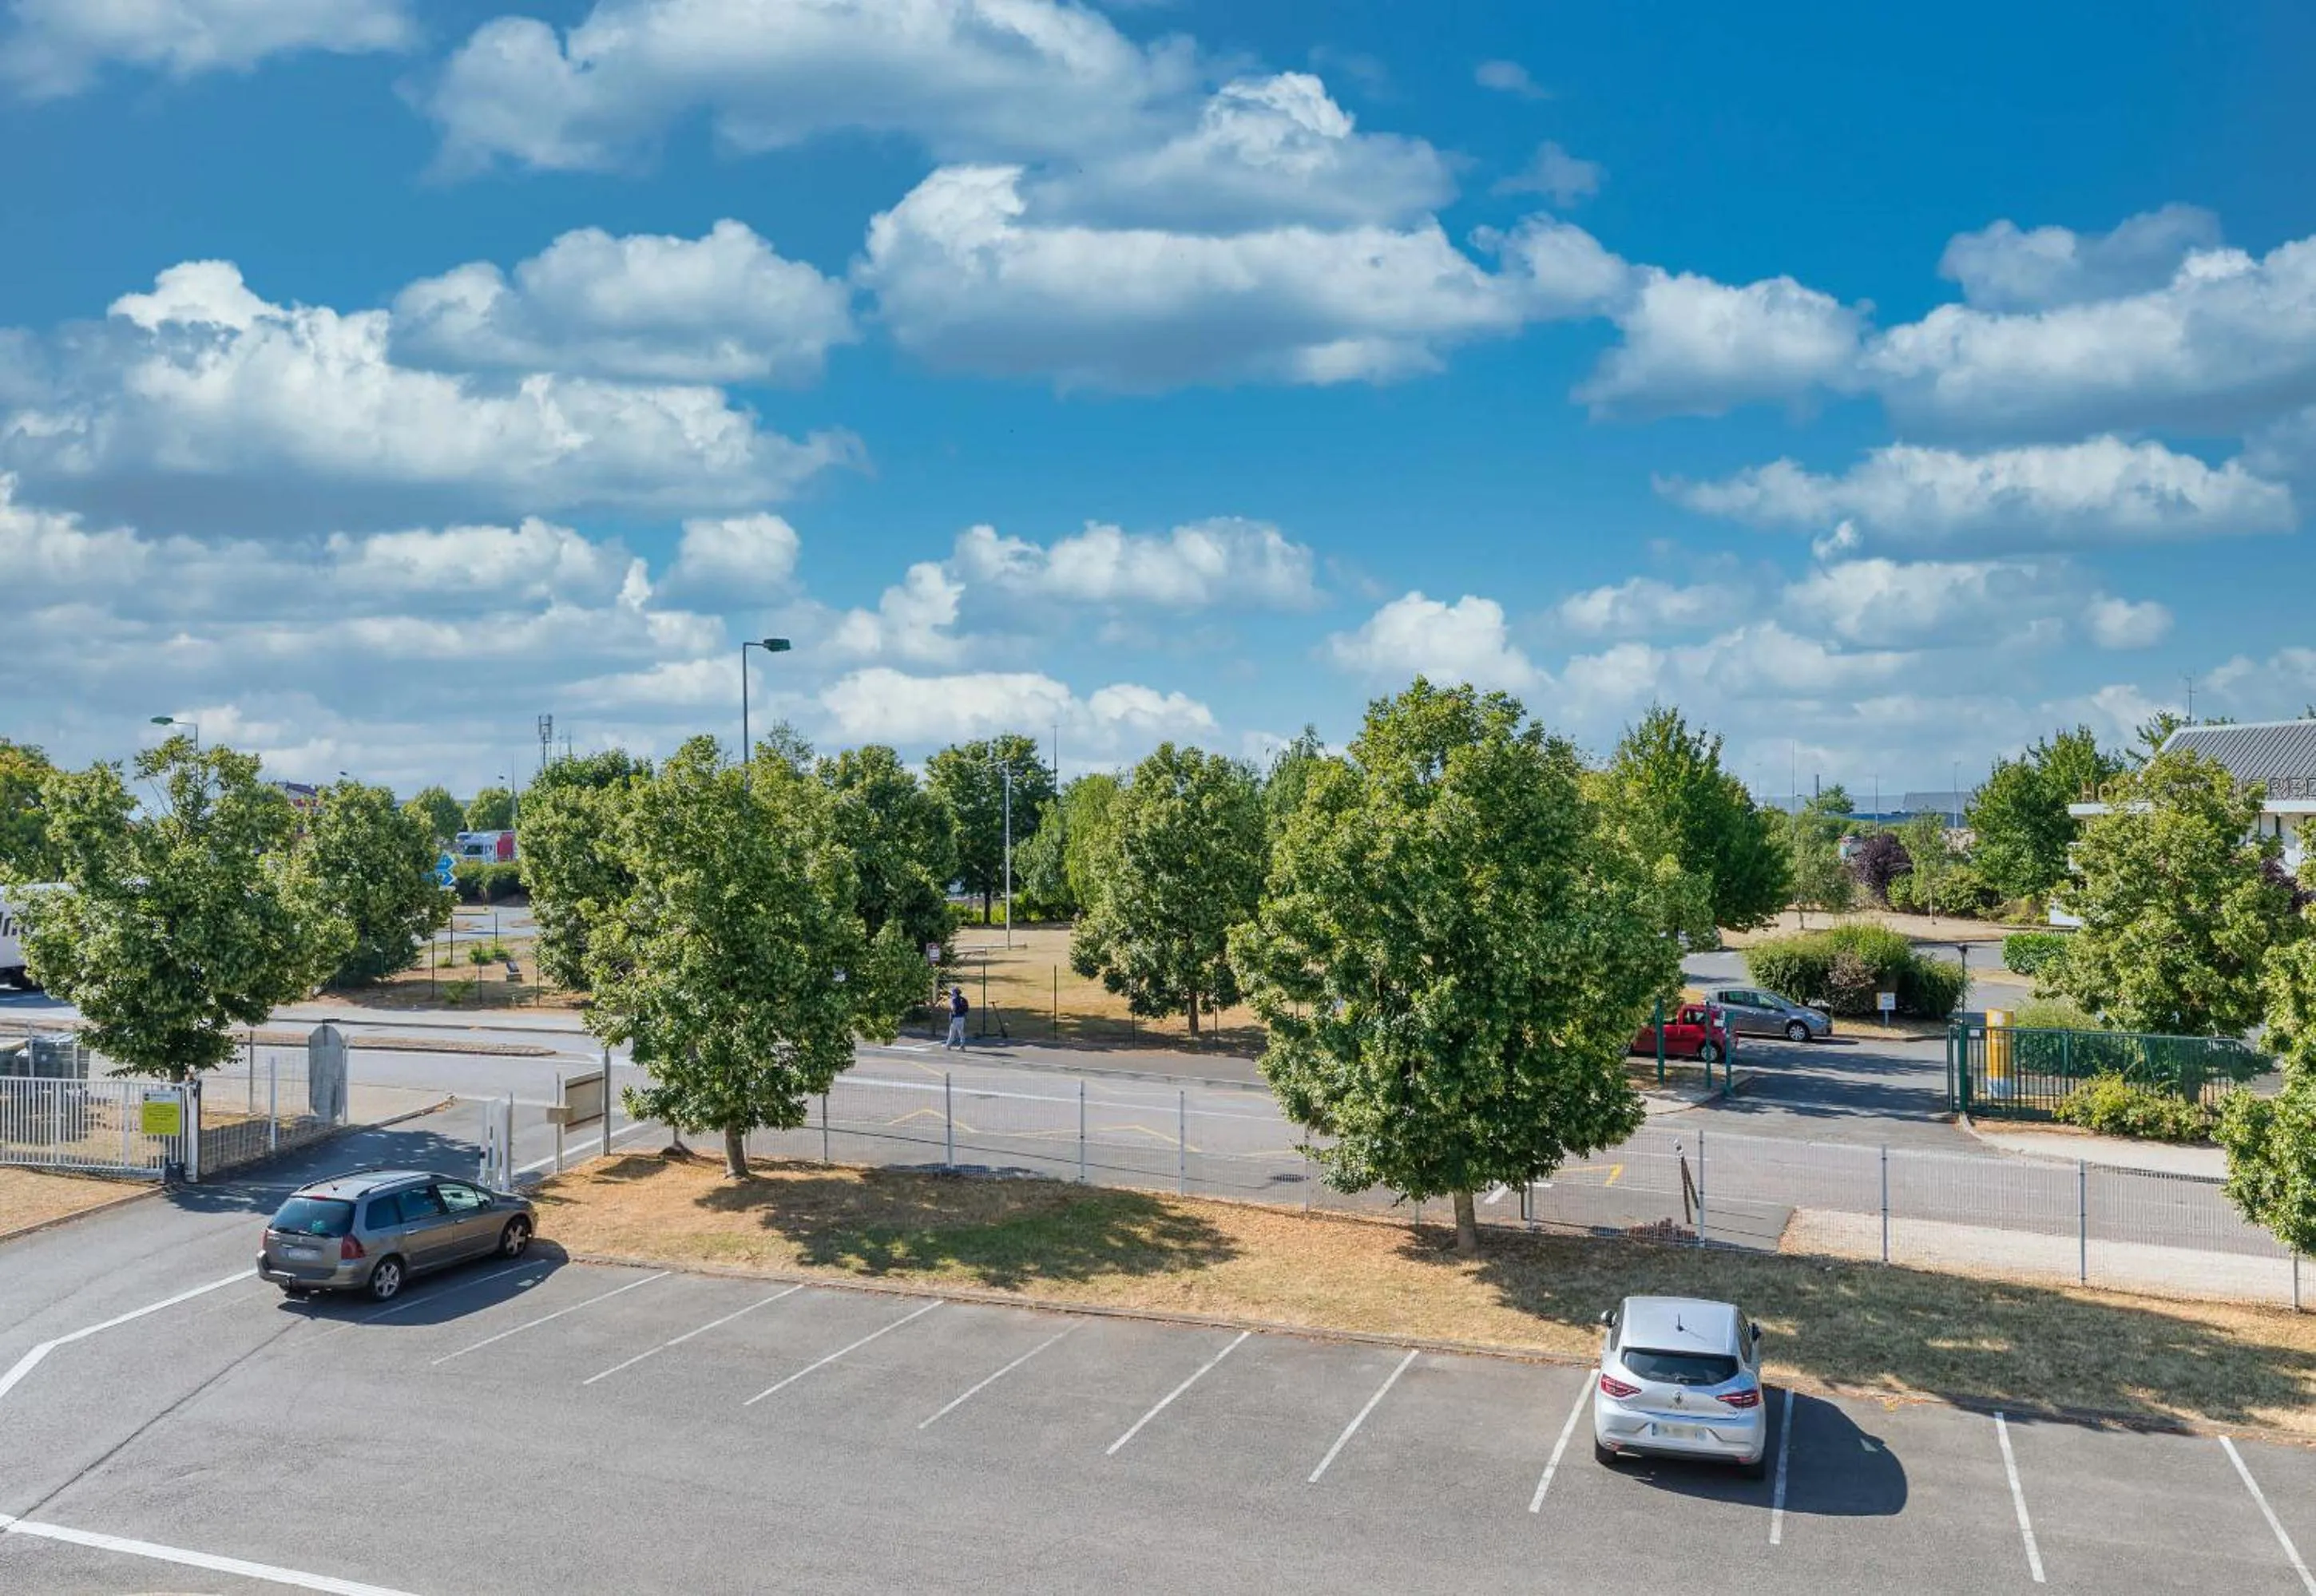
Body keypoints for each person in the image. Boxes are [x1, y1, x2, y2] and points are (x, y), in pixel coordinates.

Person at [946, 985, 970, 1050]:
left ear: (955, 993)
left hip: (955, 1018)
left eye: (953, 992)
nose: (952, 994)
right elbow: (966, 1010)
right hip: (962, 1018)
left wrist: (951, 1016)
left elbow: (953, 1009)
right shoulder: (963, 999)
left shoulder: (954, 1000)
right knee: (961, 1032)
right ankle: (962, 1045)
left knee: (952, 1032)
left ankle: (948, 1045)